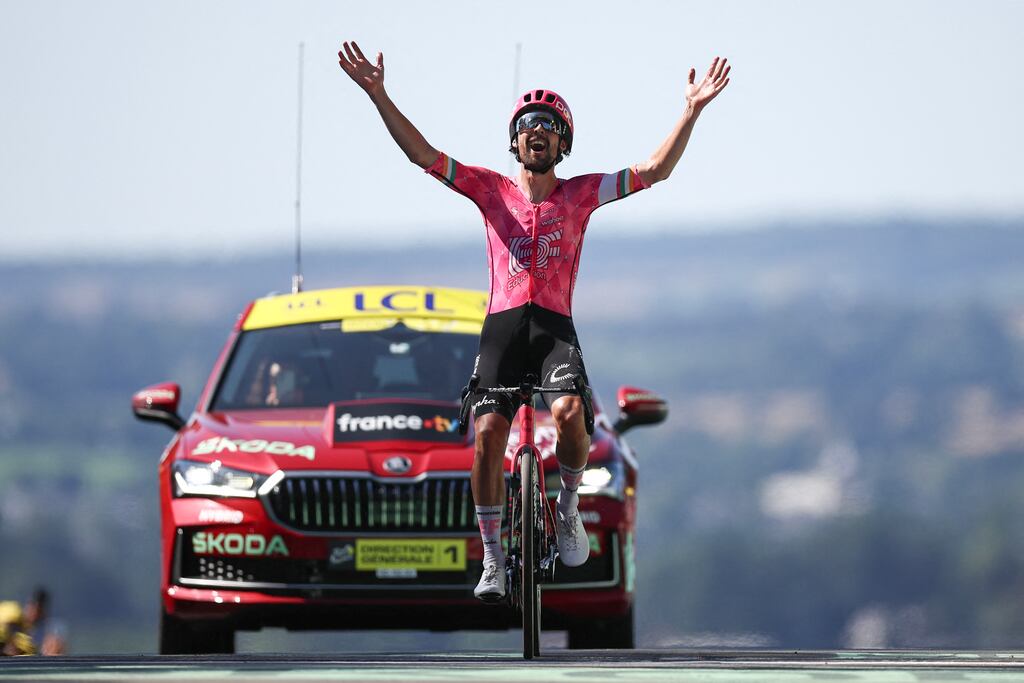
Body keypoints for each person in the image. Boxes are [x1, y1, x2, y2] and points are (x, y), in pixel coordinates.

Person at [338, 40, 730, 601]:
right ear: (515, 141)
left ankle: (567, 510)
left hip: (552, 331)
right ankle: (493, 558)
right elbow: (422, 154)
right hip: (502, 330)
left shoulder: (581, 194)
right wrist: (379, 94)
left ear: (562, 143)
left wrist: (691, 111)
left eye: (549, 125)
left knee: (571, 415)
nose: (537, 131)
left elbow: (654, 171)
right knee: (488, 436)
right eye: (527, 125)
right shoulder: (487, 189)